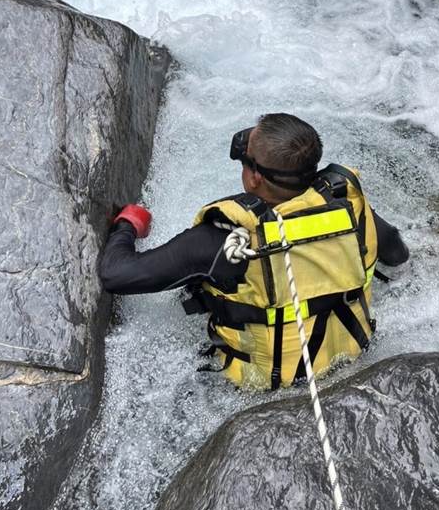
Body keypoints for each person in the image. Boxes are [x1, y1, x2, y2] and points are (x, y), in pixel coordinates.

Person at [100, 113, 409, 390]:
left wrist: (128, 224)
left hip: (260, 385)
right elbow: (397, 254)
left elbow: (116, 274)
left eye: (245, 154)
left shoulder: (226, 239)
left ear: (255, 176)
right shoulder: (348, 207)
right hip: (352, 359)